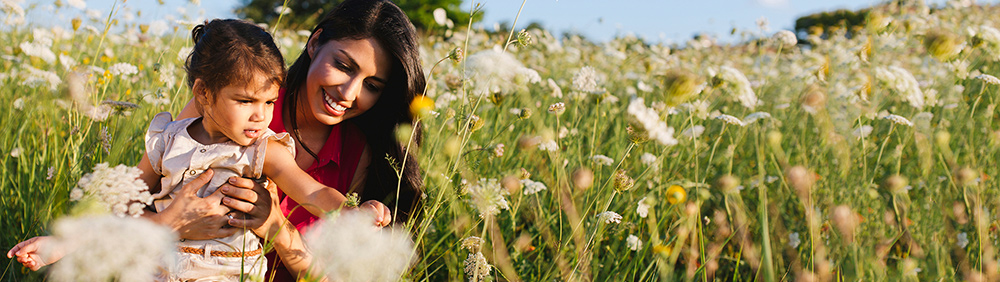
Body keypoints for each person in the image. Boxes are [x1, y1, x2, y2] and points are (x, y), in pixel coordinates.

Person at [7, 18, 392, 281]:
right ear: (203, 94)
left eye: (269, 103)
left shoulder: (265, 151)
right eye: (245, 102)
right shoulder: (167, 140)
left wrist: (354, 212)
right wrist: (61, 243)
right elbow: (123, 208)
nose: (261, 117)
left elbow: (312, 192)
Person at [171, 0, 428, 280]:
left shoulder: (358, 154)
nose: (349, 93)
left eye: (371, 85)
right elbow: (132, 212)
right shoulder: (232, 105)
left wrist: (276, 227)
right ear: (315, 43)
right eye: (343, 65)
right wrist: (174, 222)